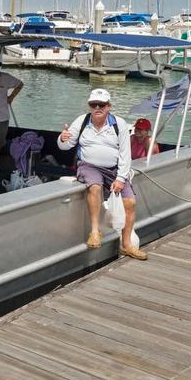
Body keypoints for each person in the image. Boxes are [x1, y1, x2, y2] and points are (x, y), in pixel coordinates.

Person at [57, 88, 145, 260]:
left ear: (109, 106)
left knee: (130, 202)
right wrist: (63, 138)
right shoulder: (81, 121)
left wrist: (120, 178)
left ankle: (126, 245)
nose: (97, 107)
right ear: (89, 106)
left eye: (102, 104)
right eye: (93, 104)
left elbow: (125, 154)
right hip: (89, 166)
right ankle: (95, 232)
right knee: (95, 187)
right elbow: (65, 146)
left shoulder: (118, 124)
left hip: (113, 168)